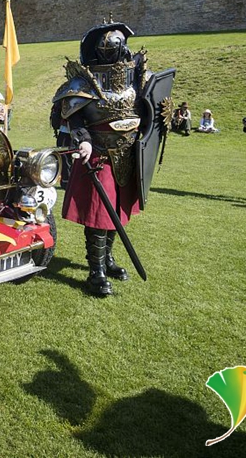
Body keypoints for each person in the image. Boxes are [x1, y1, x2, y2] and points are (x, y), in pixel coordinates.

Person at [52, 22, 170, 296]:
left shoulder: (140, 79)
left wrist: (164, 115)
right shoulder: (81, 84)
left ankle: (108, 259)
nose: (109, 54)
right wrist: (83, 140)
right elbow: (73, 119)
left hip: (129, 155)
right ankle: (96, 272)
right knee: (98, 215)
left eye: (113, 50)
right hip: (98, 156)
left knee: (117, 212)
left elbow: (150, 112)